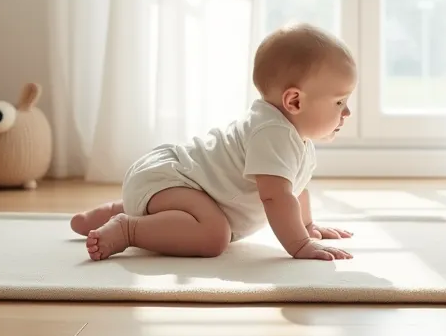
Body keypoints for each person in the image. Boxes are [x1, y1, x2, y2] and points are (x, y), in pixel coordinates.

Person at [69, 21, 358, 262]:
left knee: (200, 218)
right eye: (339, 102)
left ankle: (116, 211)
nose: (347, 111)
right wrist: (300, 244)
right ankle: (127, 229)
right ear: (294, 100)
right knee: (213, 236)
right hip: (170, 179)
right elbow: (277, 197)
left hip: (168, 180)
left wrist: (308, 227)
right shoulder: (273, 134)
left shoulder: (293, 136)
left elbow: (296, 189)